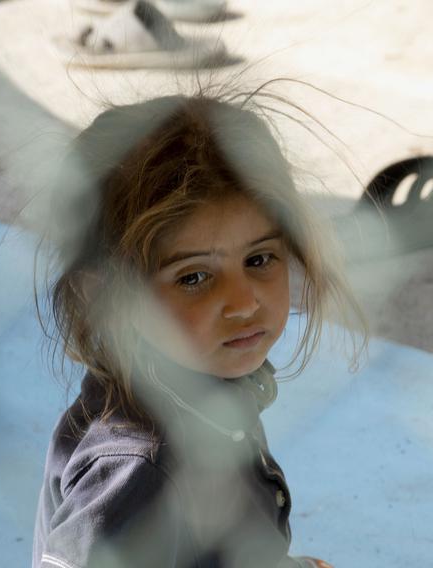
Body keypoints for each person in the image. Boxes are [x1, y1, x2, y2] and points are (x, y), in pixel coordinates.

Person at [32, 93, 366, 568]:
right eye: (193, 277)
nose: (245, 301)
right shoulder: (139, 473)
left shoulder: (200, 389)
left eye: (259, 259)